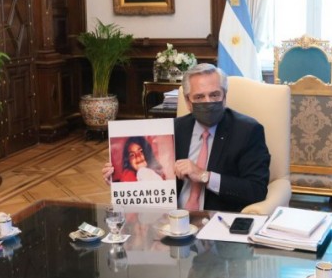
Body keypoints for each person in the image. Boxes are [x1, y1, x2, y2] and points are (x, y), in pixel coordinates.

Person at [103, 63, 270, 212]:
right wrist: (120, 183)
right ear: (188, 102)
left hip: (215, 221)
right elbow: (157, 183)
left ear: (224, 97)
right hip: (171, 219)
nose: (207, 102)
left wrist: (205, 176)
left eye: (214, 95)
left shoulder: (248, 131)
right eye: (199, 97)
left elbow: (256, 190)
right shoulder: (173, 129)